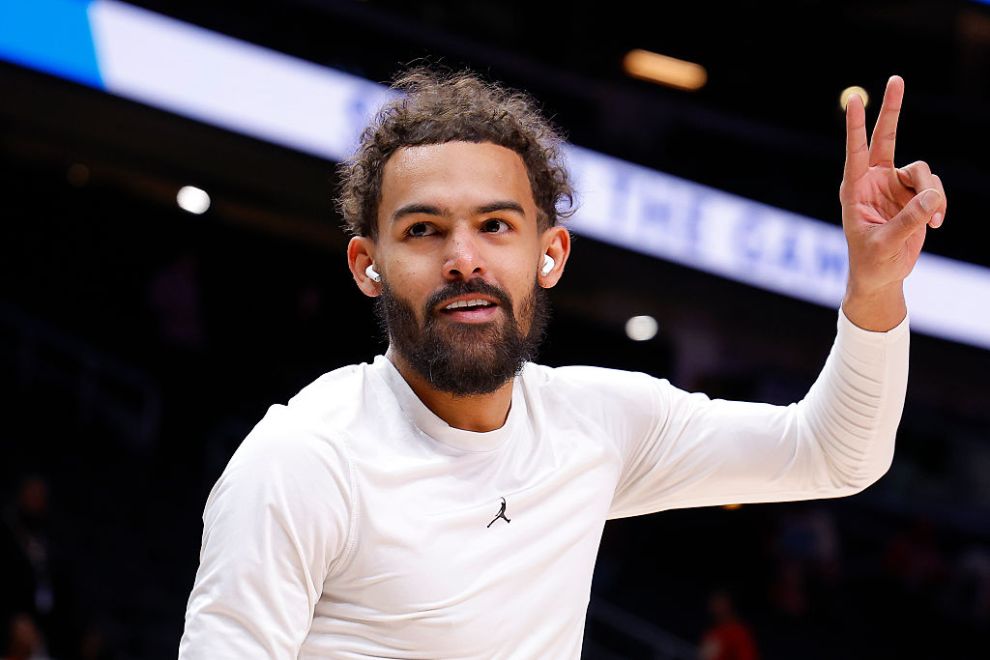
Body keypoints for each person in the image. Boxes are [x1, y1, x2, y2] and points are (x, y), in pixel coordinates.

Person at [179, 68, 947, 657]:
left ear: (550, 254)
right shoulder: (302, 460)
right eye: (423, 230)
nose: (464, 258)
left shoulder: (600, 423)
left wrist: (875, 288)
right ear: (366, 265)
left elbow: (834, 455)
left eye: (495, 225)